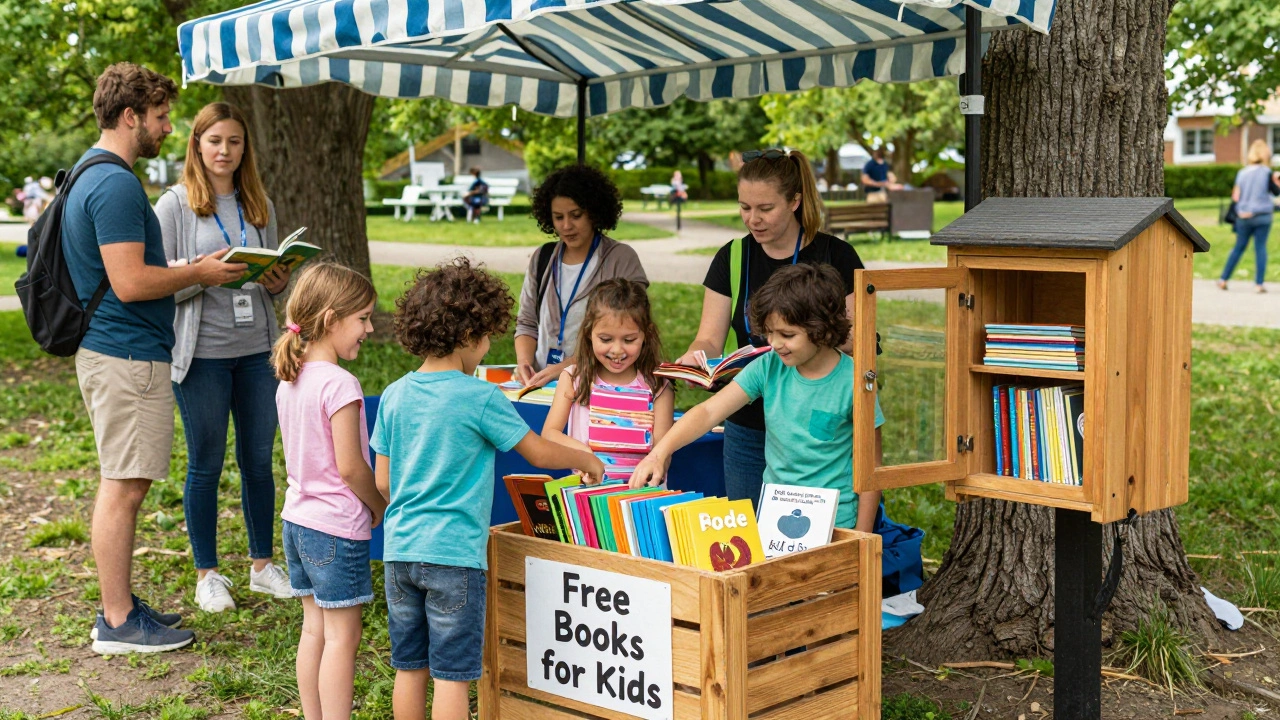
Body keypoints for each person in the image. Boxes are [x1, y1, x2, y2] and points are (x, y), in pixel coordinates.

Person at [370, 257, 604, 720]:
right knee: (454, 675)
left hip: (399, 553)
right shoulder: (480, 397)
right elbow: (537, 452)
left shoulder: (395, 393)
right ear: (466, 338)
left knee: (409, 667)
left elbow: (382, 481)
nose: (486, 347)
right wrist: (585, 458)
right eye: (485, 338)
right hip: (455, 557)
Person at [72, 63, 247, 655]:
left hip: (115, 350)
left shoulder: (87, 172)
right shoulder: (117, 182)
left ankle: (119, 607)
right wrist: (199, 271)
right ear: (131, 117)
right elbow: (128, 281)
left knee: (124, 483)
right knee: (123, 487)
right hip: (125, 354)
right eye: (162, 116)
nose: (169, 127)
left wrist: (189, 268)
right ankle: (119, 623)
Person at [156, 102, 294, 612]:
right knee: (206, 463)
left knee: (259, 460)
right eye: (215, 140)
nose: (224, 151)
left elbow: (267, 276)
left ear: (244, 148)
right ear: (196, 144)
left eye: (234, 142)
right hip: (202, 356)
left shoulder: (259, 204)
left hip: (257, 351)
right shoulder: (174, 205)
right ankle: (207, 574)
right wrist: (198, 272)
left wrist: (277, 282)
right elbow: (154, 283)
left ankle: (262, 566)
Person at [677, 147, 866, 510]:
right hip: (747, 423)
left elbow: (859, 341)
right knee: (752, 537)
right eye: (745, 207)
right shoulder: (731, 257)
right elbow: (709, 337)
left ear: (795, 201)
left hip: (814, 429)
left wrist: (808, 335)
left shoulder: (836, 256)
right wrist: (697, 358)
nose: (753, 220)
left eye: (765, 209)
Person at [632, 264, 885, 532]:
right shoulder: (768, 366)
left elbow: (872, 467)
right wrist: (659, 453)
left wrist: (862, 536)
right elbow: (708, 412)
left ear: (821, 330)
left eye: (787, 335)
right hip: (775, 519)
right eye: (770, 333)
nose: (774, 343)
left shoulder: (855, 381)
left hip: (837, 525)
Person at [272, 262, 388, 720]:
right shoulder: (340, 384)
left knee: (314, 631)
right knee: (343, 637)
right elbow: (351, 466)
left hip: (296, 522)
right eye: (362, 318)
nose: (369, 328)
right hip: (335, 530)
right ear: (330, 320)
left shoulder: (291, 377)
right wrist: (379, 505)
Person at [514, 164, 648, 389]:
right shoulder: (542, 257)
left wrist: (564, 369)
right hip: (542, 386)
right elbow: (527, 323)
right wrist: (525, 363)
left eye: (576, 215)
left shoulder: (621, 259)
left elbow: (629, 331)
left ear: (594, 213)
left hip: (598, 386)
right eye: (558, 217)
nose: (566, 226)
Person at [541, 279, 675, 465]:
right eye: (605, 339)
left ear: (646, 334)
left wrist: (654, 463)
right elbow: (549, 434)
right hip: (588, 491)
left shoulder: (659, 385)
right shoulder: (574, 378)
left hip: (643, 492)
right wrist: (584, 454)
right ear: (589, 333)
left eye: (629, 340)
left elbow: (663, 451)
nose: (617, 350)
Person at [1218, 139, 1280, 293]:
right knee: (1260, 248)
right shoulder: (1266, 172)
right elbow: (1276, 193)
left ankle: (1223, 279)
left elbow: (1236, 196)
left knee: (1238, 247)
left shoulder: (1242, 173)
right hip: (1262, 215)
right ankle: (1258, 284)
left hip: (1243, 215)